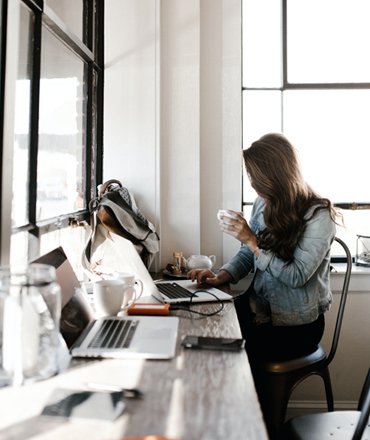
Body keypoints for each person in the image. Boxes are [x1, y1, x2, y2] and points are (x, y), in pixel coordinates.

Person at [188, 132, 339, 363]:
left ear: (275, 176)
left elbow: (296, 276)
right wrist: (221, 276)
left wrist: (251, 239)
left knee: (223, 350)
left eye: (255, 178)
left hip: (295, 326)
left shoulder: (319, 216)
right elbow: (249, 253)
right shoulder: (262, 204)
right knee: (200, 328)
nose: (253, 185)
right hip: (258, 311)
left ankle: (247, 398)